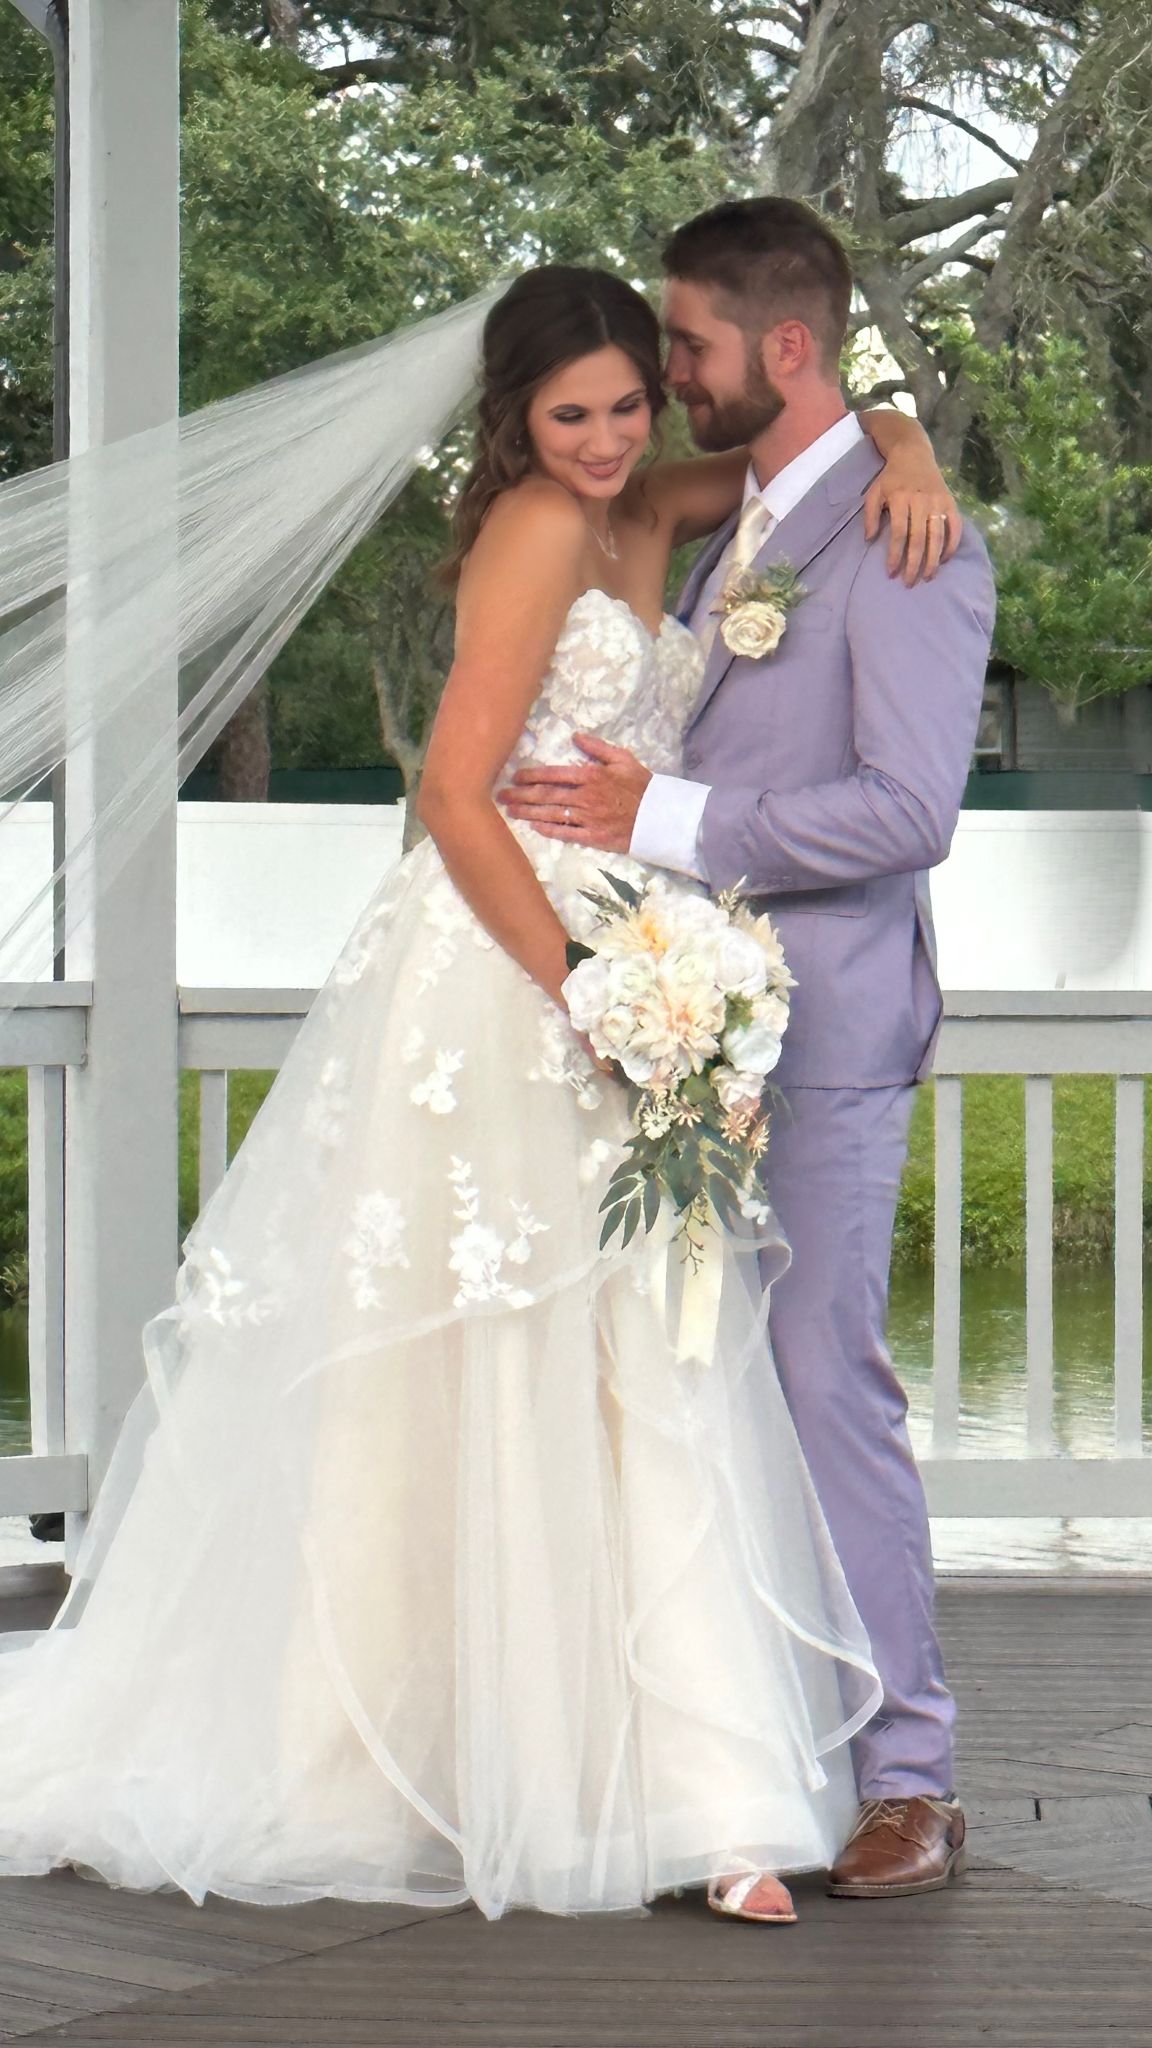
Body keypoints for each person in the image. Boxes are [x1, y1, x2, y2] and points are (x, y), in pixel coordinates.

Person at [0, 258, 956, 1925]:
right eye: (568, 415)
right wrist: (586, 988)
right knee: (491, 1354)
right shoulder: (528, 529)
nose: (605, 439)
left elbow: (822, 433)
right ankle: (416, 1762)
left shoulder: (660, 501)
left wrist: (914, 445)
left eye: (629, 403)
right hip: (514, 968)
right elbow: (453, 794)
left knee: (639, 1360)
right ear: (514, 417)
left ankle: (688, 1790)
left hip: (636, 958)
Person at [501, 201, 997, 1908]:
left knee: (821, 1376)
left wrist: (668, 817)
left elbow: (909, 811)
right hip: (689, 1025)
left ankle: (913, 1777)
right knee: (691, 1385)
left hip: (831, 1026)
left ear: (783, 347)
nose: (668, 371)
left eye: (690, 344)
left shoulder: (912, 544)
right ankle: (737, 1753)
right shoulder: (748, 518)